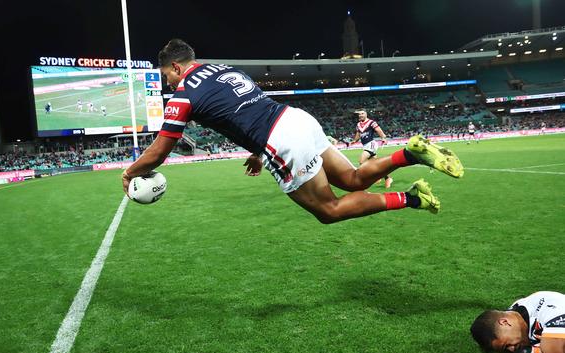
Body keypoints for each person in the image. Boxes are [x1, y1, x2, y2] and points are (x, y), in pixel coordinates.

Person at [121, 39, 464, 224]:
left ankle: (413, 198)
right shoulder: (223, 70)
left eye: (166, 75)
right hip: (297, 119)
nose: (167, 81)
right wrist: (257, 153)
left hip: (279, 140)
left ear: (177, 67)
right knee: (355, 178)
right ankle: (410, 153)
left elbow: (161, 150)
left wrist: (130, 172)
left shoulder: (183, 95)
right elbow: (246, 109)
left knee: (328, 211)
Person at [470, 291, 565, 353]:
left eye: (506, 345)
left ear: (504, 322)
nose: (512, 349)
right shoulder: (516, 322)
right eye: (506, 349)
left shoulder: (552, 310)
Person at [350, 110, 393, 188]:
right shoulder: (358, 124)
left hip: (371, 144)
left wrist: (383, 137)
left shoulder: (371, 122)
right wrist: (354, 141)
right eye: (359, 114)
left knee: (361, 161)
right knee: (377, 165)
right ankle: (387, 178)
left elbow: (378, 130)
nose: (360, 115)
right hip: (365, 145)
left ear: (366, 114)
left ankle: (370, 178)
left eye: (362, 113)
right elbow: (358, 134)